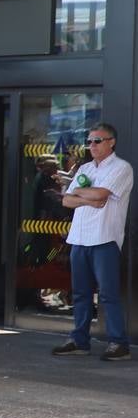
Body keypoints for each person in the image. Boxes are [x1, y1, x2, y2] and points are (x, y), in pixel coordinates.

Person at [54, 122, 132, 361]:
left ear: (111, 142)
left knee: (108, 294)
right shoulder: (86, 168)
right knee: (80, 293)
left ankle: (118, 343)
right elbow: (66, 200)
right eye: (89, 141)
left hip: (104, 238)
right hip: (79, 238)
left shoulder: (121, 168)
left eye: (97, 141)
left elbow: (101, 194)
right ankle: (79, 340)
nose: (92, 146)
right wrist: (87, 199)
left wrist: (81, 194)